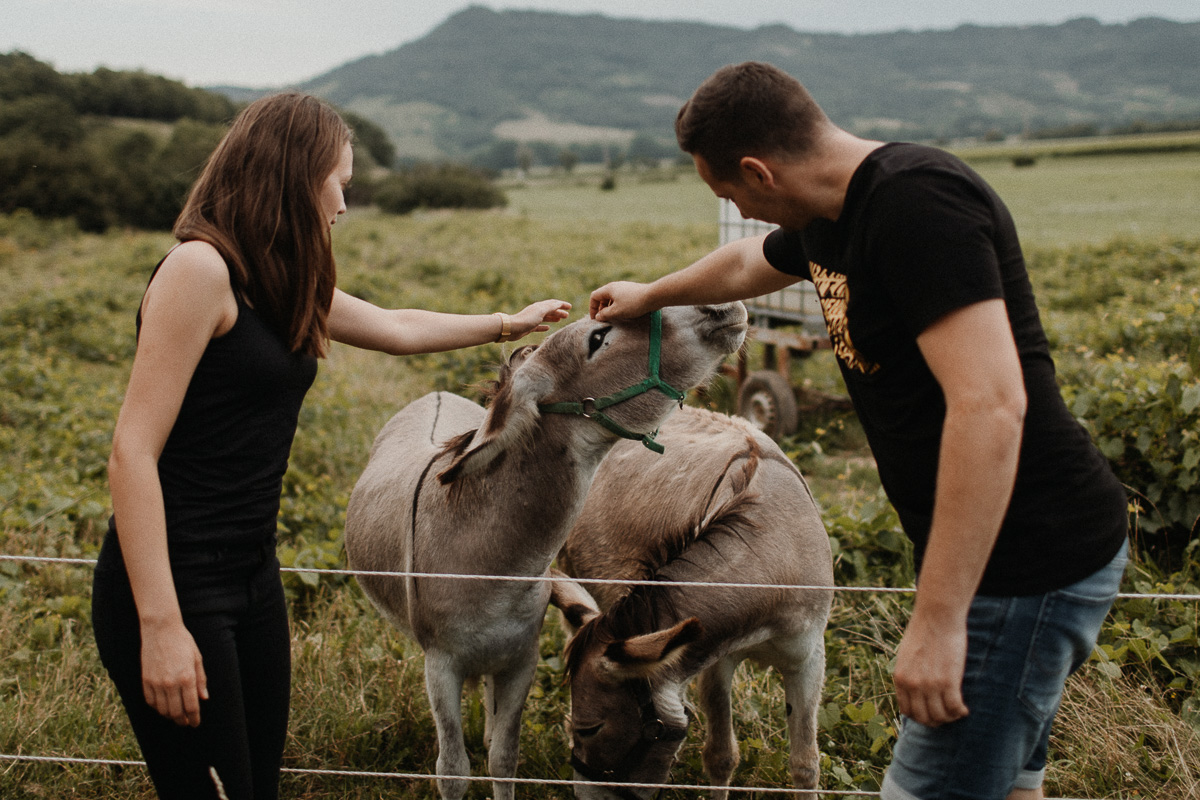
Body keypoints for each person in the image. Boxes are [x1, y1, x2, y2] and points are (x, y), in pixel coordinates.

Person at [589, 62, 1128, 800]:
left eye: (731, 194)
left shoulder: (916, 204)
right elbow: (749, 262)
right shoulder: (828, 221)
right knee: (1007, 785)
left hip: (1024, 561)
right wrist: (648, 294)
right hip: (1001, 559)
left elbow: (991, 407)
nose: (742, 213)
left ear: (759, 170)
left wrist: (939, 622)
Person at [90, 91, 571, 800]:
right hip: (174, 582)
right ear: (293, 173)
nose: (342, 205)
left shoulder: (279, 277)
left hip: (253, 576)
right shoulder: (200, 271)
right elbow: (132, 450)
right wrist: (159, 625)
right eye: (338, 184)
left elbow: (397, 326)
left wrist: (509, 323)